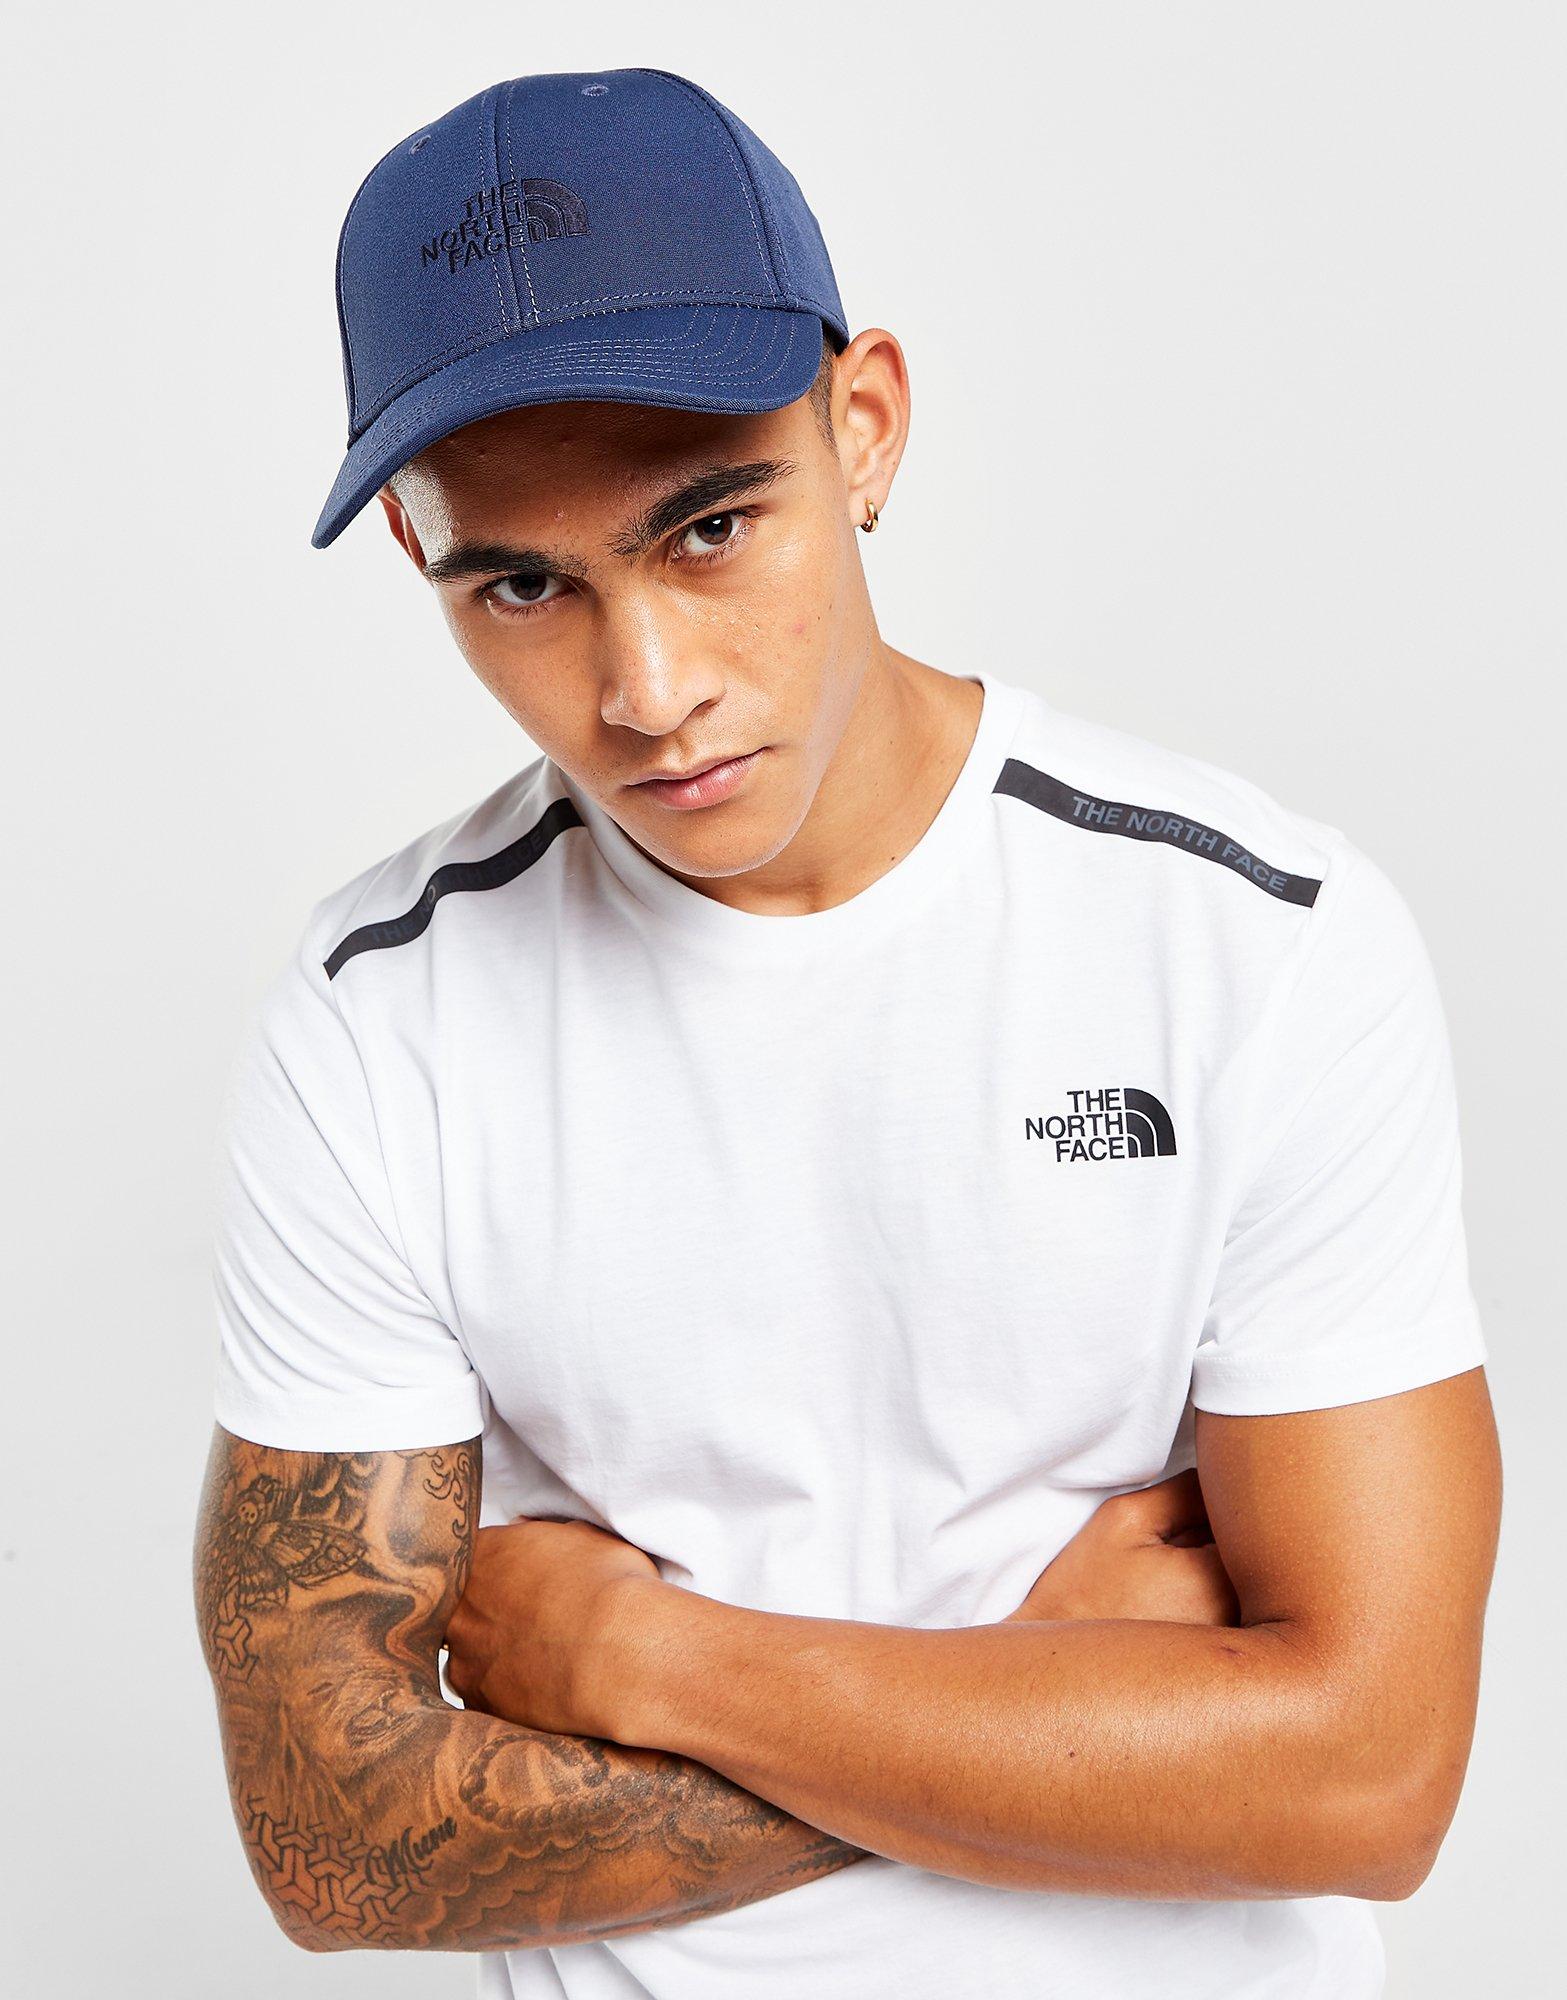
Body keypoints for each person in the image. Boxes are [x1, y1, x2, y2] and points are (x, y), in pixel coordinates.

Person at [193, 66, 1501, 2000]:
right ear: (416, 547)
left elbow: (1367, 1782)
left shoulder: (1252, 943)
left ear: (864, 427)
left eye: (713, 528)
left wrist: (652, 1663)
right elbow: (331, 1840)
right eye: (525, 585)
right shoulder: (381, 1018)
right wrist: (1050, 1693)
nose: (648, 690)